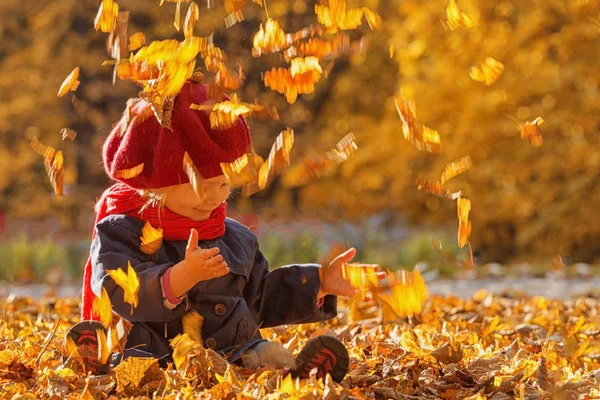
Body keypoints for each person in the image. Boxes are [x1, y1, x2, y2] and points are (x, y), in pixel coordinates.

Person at [65, 81, 383, 381]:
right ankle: (99, 355)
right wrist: (180, 277)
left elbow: (258, 299)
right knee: (132, 365)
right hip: (155, 354)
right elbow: (116, 290)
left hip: (232, 352)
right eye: (201, 185)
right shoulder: (123, 231)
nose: (216, 196)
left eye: (222, 184)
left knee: (267, 356)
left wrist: (319, 282)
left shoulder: (235, 237)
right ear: (156, 187)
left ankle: (297, 375)